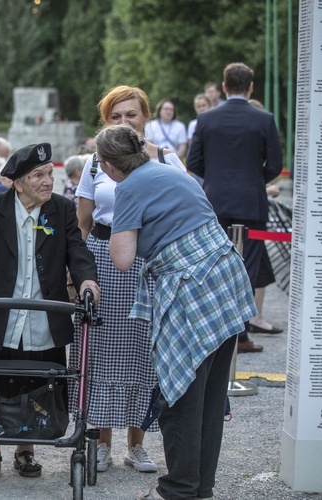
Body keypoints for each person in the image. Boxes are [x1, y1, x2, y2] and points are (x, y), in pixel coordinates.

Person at [98, 124, 256, 500]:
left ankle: (177, 490)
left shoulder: (129, 187)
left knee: (180, 395)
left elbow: (122, 259)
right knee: (210, 398)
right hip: (226, 279)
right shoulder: (172, 170)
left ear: (106, 164)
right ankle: (201, 489)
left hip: (190, 290)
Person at [0, 142, 99, 480]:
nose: (48, 181)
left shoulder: (60, 209)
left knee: (36, 386)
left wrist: (87, 281)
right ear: (17, 182)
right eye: (38, 176)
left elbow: (78, 251)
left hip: (43, 320)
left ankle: (25, 449)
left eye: (49, 174)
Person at [75, 85, 184, 475]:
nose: (124, 122)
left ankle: (136, 445)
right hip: (104, 262)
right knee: (101, 351)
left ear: (146, 117)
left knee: (144, 351)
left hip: (149, 263)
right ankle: (101, 442)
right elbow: (83, 223)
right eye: (116, 117)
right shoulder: (93, 164)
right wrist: (76, 273)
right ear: (106, 121)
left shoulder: (168, 160)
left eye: (131, 115)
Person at [187, 62, 283, 354]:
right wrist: (255, 180)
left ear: (224, 87)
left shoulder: (206, 120)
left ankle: (215, 333)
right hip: (251, 202)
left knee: (215, 265)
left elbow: (193, 163)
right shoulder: (264, 119)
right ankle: (239, 335)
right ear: (251, 87)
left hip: (215, 201)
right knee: (247, 268)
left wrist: (216, 181)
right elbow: (276, 164)